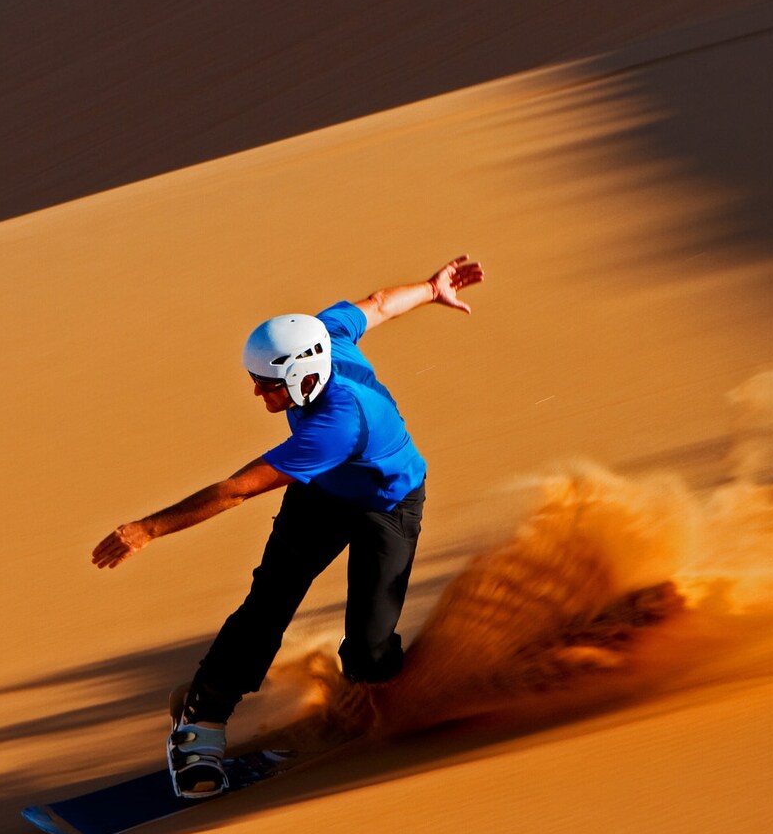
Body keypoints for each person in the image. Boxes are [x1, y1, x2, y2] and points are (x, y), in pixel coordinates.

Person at [92, 254, 486, 797]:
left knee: (370, 655)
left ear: (301, 376)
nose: (257, 394)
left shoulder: (335, 424)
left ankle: (376, 689)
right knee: (267, 606)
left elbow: (237, 489)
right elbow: (375, 307)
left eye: (266, 385)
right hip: (323, 495)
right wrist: (429, 287)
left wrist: (149, 529)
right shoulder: (321, 337)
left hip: (389, 505)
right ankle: (200, 722)